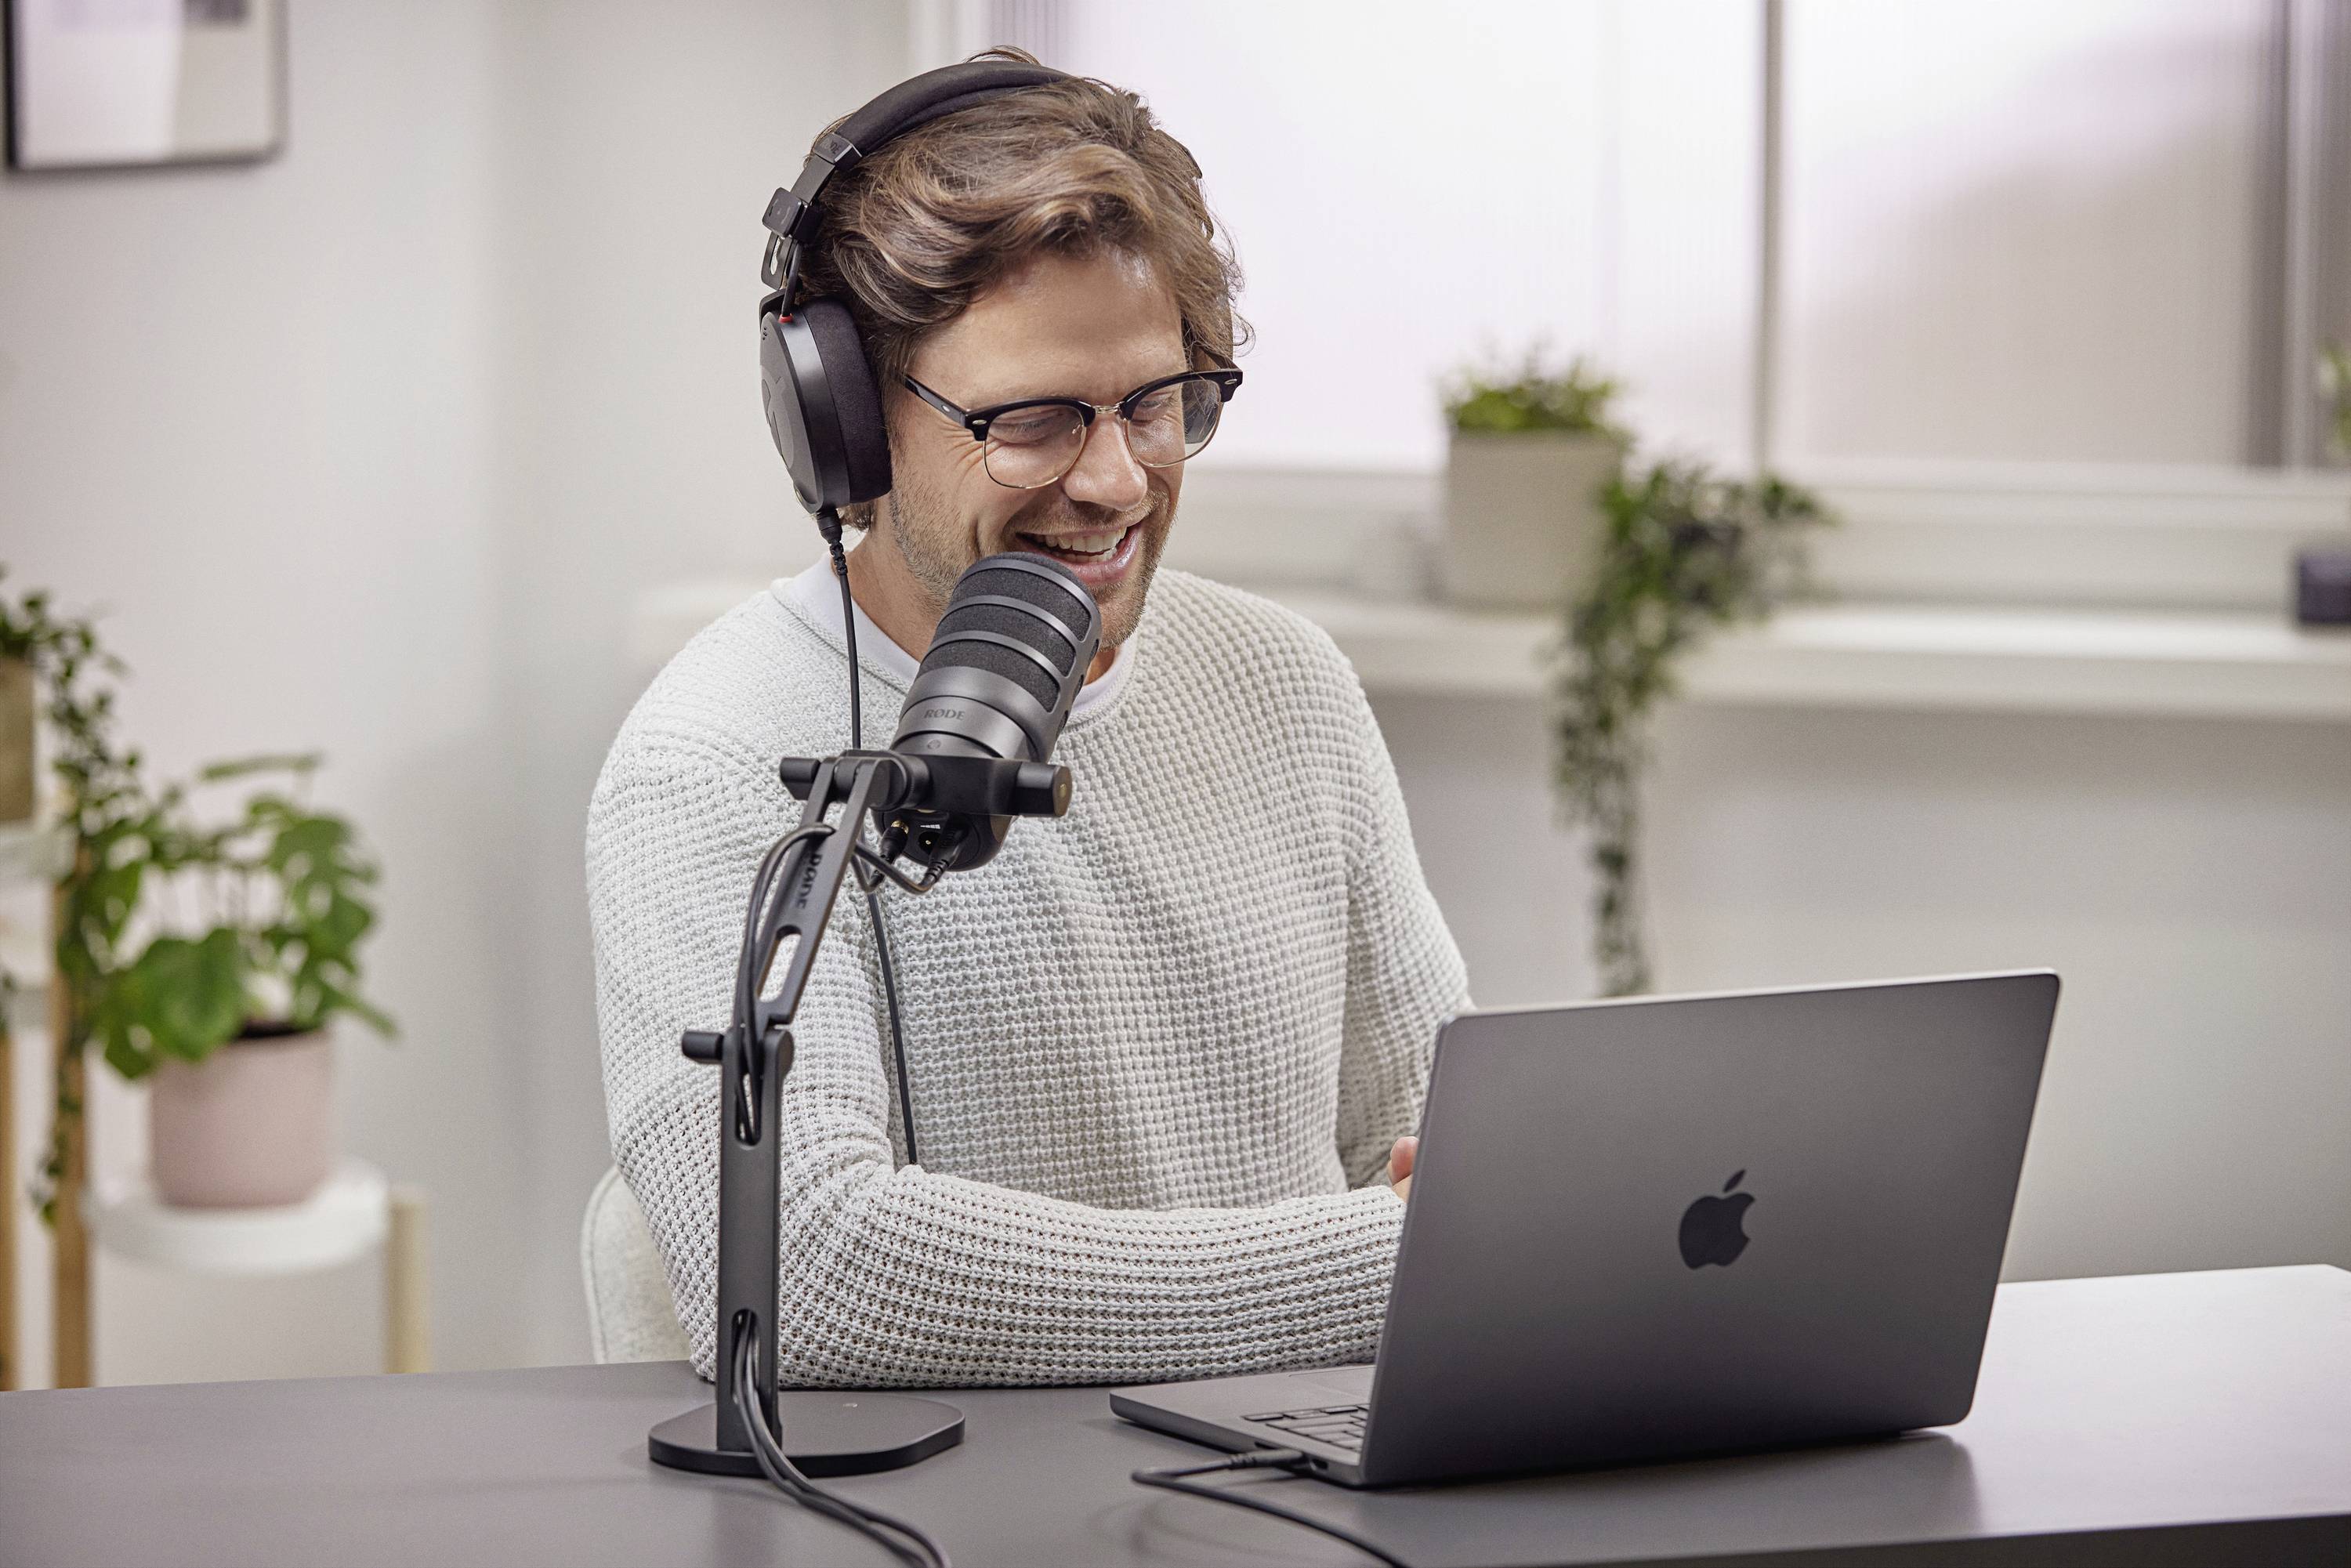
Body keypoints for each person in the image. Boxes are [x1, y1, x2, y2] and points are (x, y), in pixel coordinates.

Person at [587, 50, 1468, 1389]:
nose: (1115, 480)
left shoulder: (1287, 681)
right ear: (849, 427)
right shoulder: (708, 759)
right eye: (1036, 419)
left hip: (1312, 1498)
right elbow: (802, 1271)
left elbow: (1447, 1163)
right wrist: (1376, 1269)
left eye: (1155, 403)